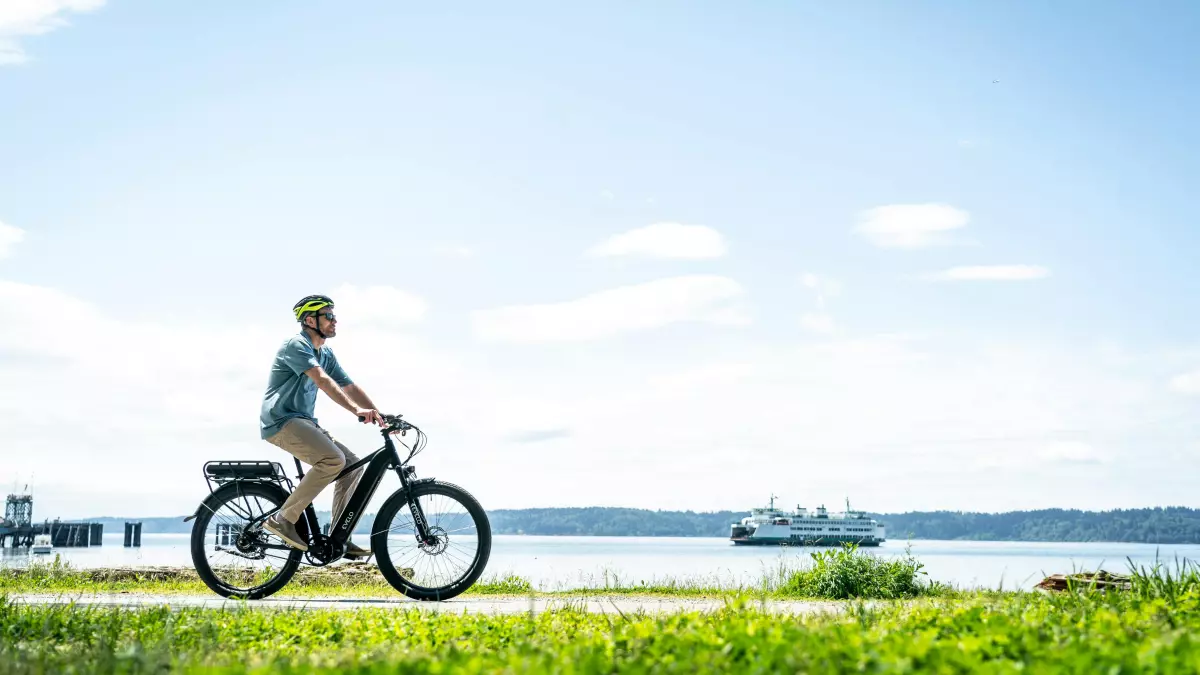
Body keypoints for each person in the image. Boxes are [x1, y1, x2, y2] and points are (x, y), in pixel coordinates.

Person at [259, 294, 383, 558]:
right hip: (281, 421)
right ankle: (283, 519)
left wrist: (379, 415)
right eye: (328, 316)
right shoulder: (296, 345)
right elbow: (323, 380)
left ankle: (340, 535)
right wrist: (356, 410)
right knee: (332, 459)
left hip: (304, 422)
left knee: (352, 466)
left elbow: (348, 385)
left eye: (334, 316)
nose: (334, 321)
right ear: (309, 320)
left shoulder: (325, 353)